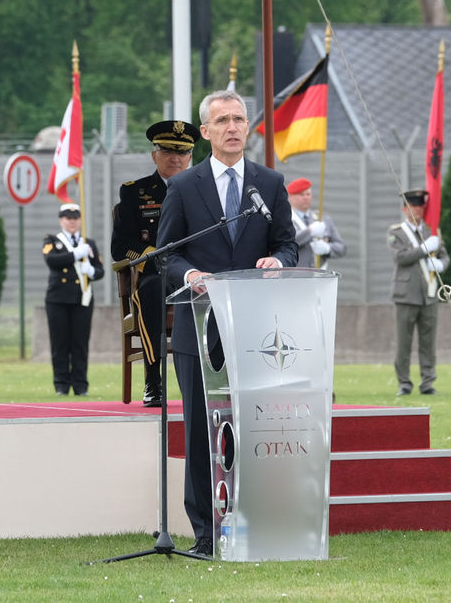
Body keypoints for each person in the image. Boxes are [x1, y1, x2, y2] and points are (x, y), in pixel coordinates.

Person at [156, 89, 297, 557]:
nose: (234, 127)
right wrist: (191, 275)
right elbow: (166, 256)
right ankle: (205, 533)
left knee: (252, 427)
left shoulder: (269, 184)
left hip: (256, 331)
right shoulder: (183, 187)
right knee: (201, 430)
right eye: (224, 121)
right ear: (206, 132)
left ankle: (255, 521)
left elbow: (287, 244)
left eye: (240, 119)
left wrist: (278, 261)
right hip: (199, 331)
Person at [110, 120, 196, 407]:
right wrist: (153, 256)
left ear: (191, 156)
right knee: (151, 291)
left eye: (182, 152)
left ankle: (215, 378)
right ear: (154, 155)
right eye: (168, 151)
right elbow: (120, 247)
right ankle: (153, 379)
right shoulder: (135, 192)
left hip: (196, 272)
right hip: (156, 271)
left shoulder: (203, 189)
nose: (176, 158)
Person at [388, 189, 450, 396]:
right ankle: (404, 383)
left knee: (428, 342)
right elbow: (401, 258)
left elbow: (444, 256)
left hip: (429, 294)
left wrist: (440, 264)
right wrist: (424, 249)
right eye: (413, 206)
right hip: (406, 293)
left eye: (420, 206)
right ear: (405, 209)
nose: (417, 210)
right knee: (404, 342)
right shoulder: (396, 232)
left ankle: (428, 382)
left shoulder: (432, 231)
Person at [42, 203, 103, 396]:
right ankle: (61, 385)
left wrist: (91, 271)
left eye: (75, 218)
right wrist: (75, 255)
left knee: (80, 343)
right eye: (68, 218)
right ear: (61, 220)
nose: (72, 222)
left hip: (81, 299)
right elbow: (52, 261)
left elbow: (99, 270)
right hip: (58, 299)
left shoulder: (88, 243)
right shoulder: (52, 240)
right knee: (60, 343)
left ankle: (80, 385)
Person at [287, 177, 346, 270]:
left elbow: (341, 248)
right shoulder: (285, 219)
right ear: (290, 197)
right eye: (301, 194)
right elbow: (287, 242)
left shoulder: (323, 219)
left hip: (320, 275)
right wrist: (309, 232)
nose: (306, 197)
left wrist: (328, 248)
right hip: (295, 276)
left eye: (308, 194)